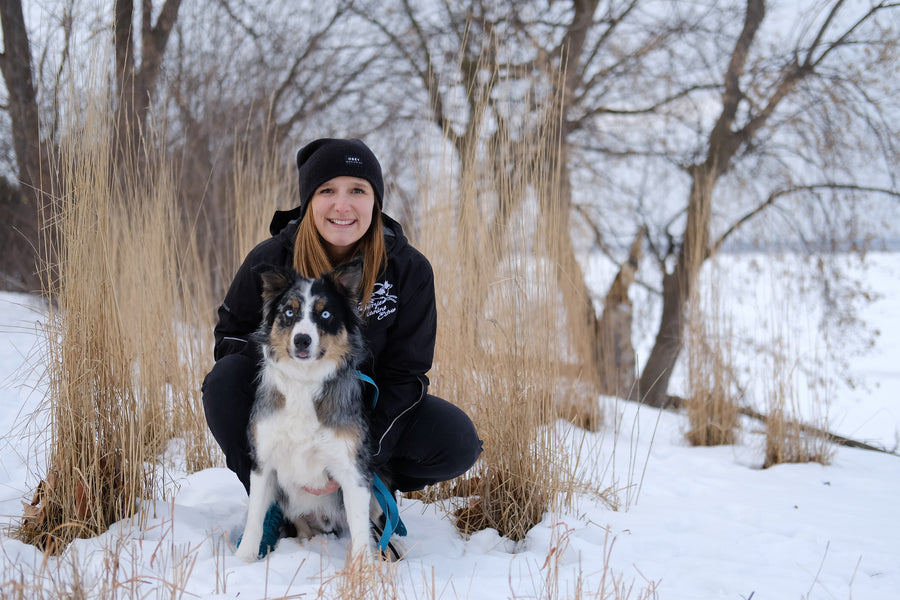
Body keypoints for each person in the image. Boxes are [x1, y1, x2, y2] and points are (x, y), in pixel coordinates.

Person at [201, 137, 482, 557]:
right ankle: (276, 501)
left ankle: (365, 492)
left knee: (456, 438)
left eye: (358, 190)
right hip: (287, 406)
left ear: (376, 200)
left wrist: (355, 451)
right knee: (224, 381)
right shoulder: (273, 258)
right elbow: (231, 337)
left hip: (365, 412)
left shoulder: (408, 269)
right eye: (327, 191)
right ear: (309, 200)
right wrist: (289, 378)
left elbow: (408, 373)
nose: (342, 206)